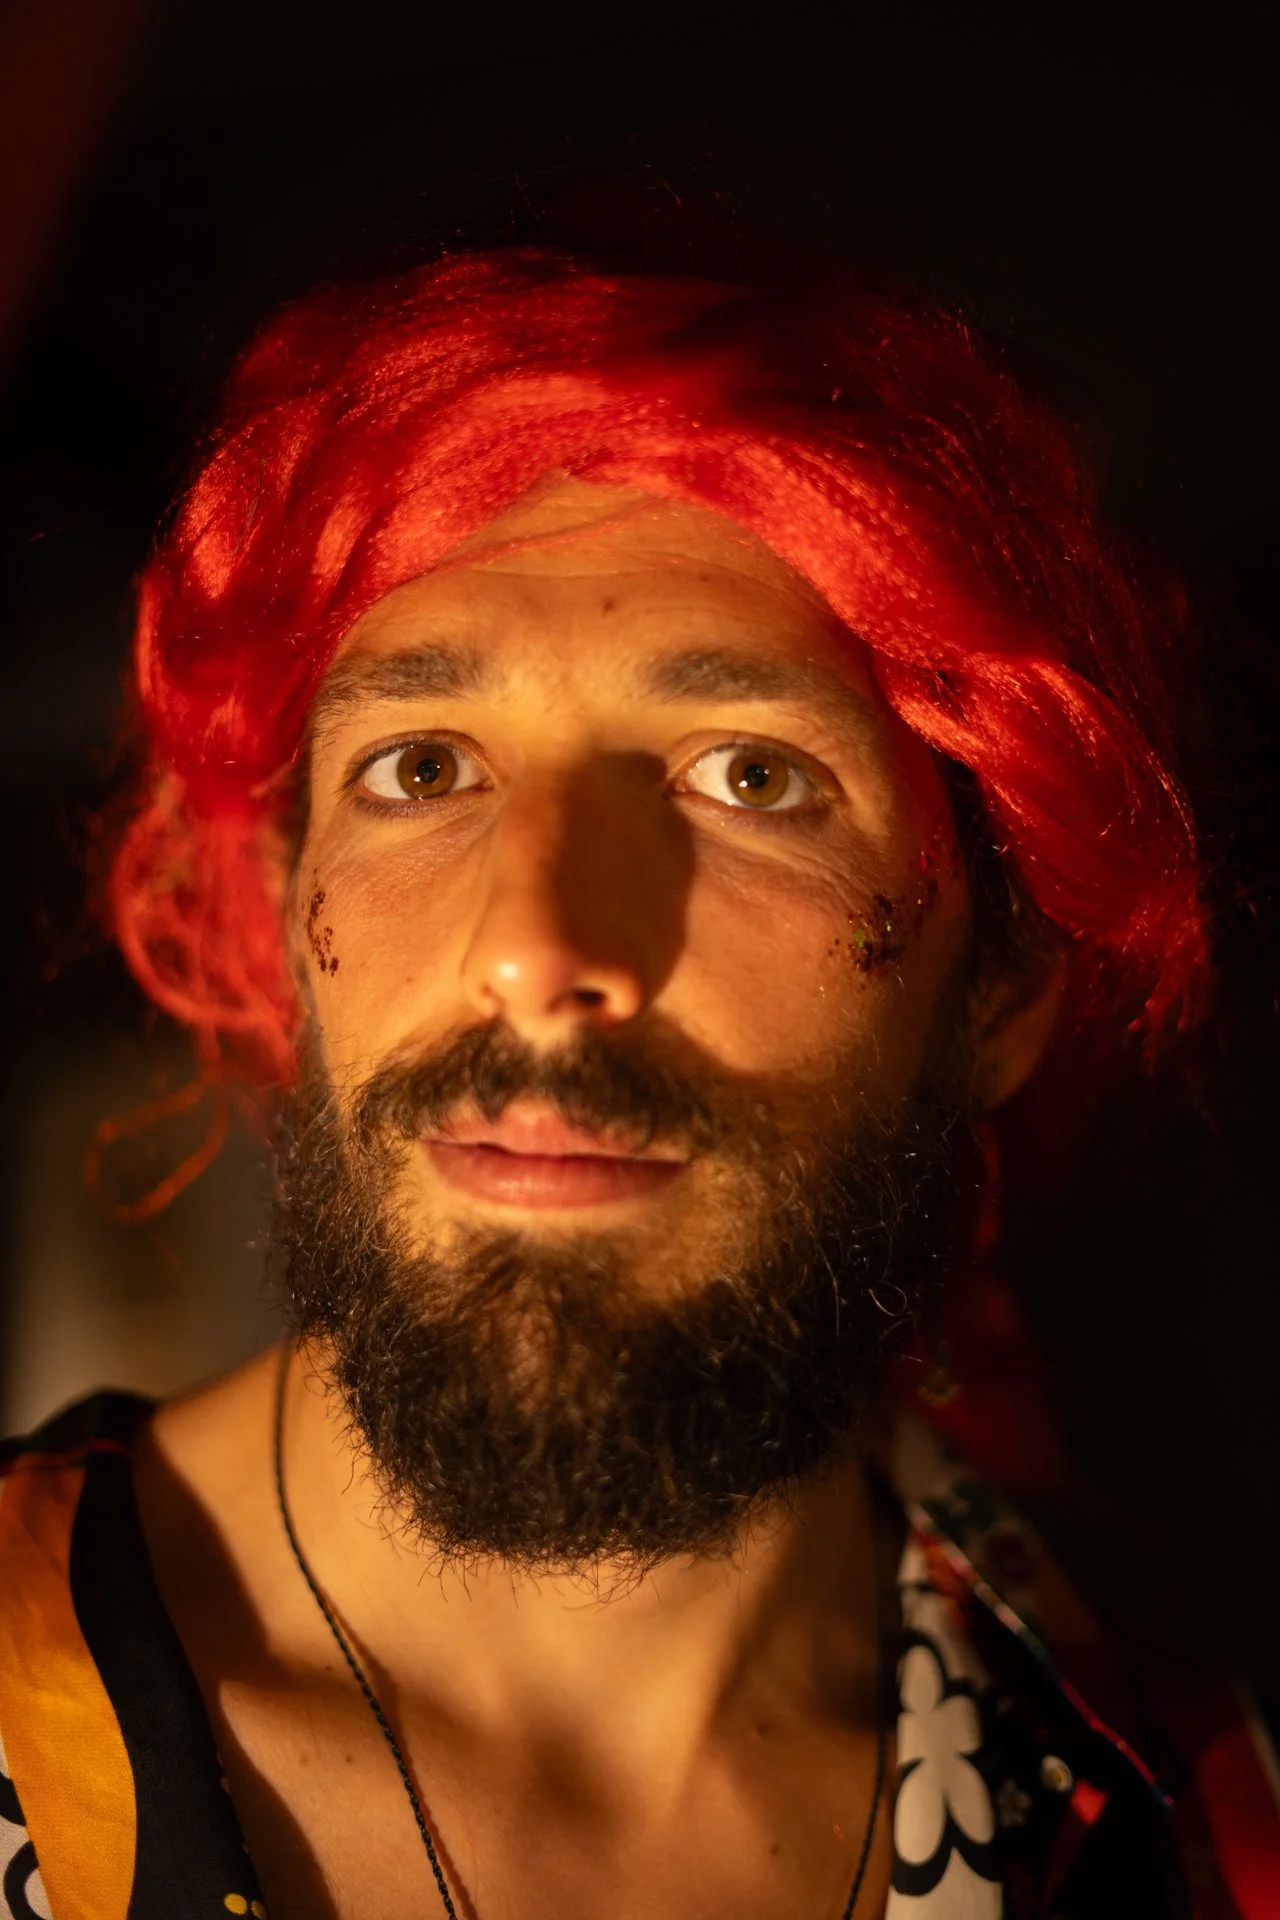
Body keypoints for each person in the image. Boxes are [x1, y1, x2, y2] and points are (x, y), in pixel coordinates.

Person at [1, 246, 1276, 1920]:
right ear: (291, 910)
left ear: (1005, 988)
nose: (537, 948)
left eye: (752, 778)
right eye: (421, 768)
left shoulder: (1199, 1835)